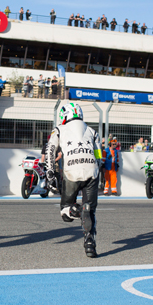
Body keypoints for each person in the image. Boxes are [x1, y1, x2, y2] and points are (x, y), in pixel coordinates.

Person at [45, 102, 102, 258]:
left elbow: (50, 150)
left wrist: (49, 173)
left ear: (64, 115)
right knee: (90, 209)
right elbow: (99, 155)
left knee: (65, 212)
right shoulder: (92, 131)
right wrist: (97, 171)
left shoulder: (59, 129)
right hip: (92, 170)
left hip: (72, 172)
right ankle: (90, 242)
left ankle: (75, 210)